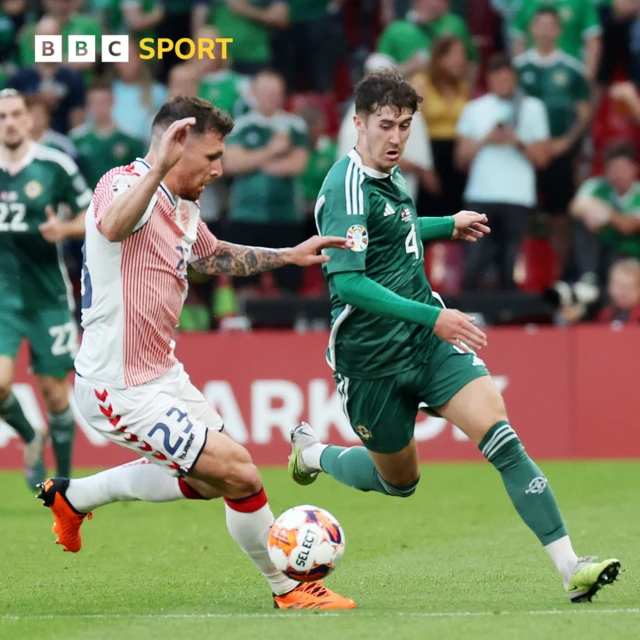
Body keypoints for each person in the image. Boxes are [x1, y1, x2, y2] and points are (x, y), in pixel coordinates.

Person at [287, 70, 621, 604]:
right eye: (385, 125)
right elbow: (348, 282)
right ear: (357, 122)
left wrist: (445, 224)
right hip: (371, 361)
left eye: (405, 126)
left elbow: (393, 228)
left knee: (503, 438)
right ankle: (314, 454)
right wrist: (431, 317)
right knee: (400, 482)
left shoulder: (390, 177)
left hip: (428, 342)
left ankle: (570, 567)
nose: (396, 137)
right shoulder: (344, 186)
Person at [36, 95, 355, 611]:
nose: (219, 168)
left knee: (212, 484)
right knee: (241, 474)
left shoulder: (183, 206)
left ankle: (74, 498)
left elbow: (212, 254)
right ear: (174, 146)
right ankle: (289, 588)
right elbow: (112, 226)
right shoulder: (121, 183)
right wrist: (158, 165)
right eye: (210, 157)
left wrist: (289, 255)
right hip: (118, 385)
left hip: (163, 374)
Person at [0, 88, 92, 490]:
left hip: (46, 295)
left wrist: (65, 228)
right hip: (3, 296)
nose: (10, 122)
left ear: (29, 118)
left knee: (55, 395)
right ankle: (31, 435)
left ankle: (65, 482)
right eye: (2, 116)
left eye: (17, 114)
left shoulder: (54, 166)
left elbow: (93, 213)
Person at [455, 54, 550, 291]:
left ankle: (507, 316)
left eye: (508, 80)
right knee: (475, 258)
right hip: (481, 193)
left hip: (517, 196)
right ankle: (469, 311)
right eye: (498, 80)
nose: (504, 85)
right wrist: (486, 139)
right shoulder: (475, 109)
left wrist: (516, 141)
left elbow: (542, 159)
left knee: (510, 262)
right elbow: (460, 158)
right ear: (489, 80)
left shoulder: (532, 108)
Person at [223, 71, 309, 293]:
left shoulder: (295, 125)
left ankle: (286, 325)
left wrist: (253, 162)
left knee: (288, 283)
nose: (271, 98)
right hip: (245, 215)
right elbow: (231, 163)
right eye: (266, 92)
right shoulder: (239, 125)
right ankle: (246, 325)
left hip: (285, 215)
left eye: (276, 93)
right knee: (244, 281)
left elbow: (297, 164)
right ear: (254, 94)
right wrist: (273, 151)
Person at [411, 35, 469, 216]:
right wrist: (424, 166)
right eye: (457, 54)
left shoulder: (462, 87)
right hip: (430, 151)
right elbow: (413, 124)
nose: (462, 60)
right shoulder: (422, 82)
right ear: (441, 58)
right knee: (429, 210)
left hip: (455, 154)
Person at [570, 141, 640, 283]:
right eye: (613, 169)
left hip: (631, 256)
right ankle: (588, 278)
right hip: (603, 251)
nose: (618, 174)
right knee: (585, 224)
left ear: (635, 169)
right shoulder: (596, 186)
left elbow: (628, 226)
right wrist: (594, 214)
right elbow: (575, 208)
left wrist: (603, 212)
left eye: (623, 169)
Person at [70, 81, 146, 190]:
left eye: (103, 102)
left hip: (121, 202)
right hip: (87, 203)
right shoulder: (75, 139)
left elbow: (139, 178)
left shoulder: (131, 139)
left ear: (113, 102)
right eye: (94, 102)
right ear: (88, 105)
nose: (99, 107)